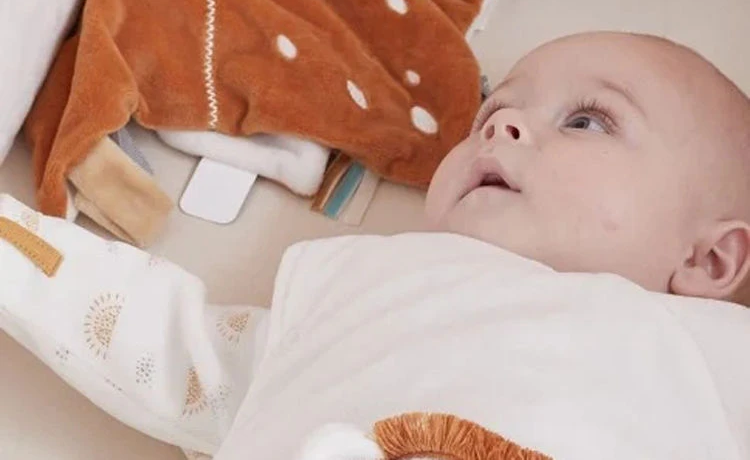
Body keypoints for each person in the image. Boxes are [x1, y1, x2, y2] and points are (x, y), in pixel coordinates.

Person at [1, 32, 749, 460]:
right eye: (489, 114)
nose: (502, 125)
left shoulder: (712, 351)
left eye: (587, 121)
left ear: (708, 261)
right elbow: (164, 342)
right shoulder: (363, 286)